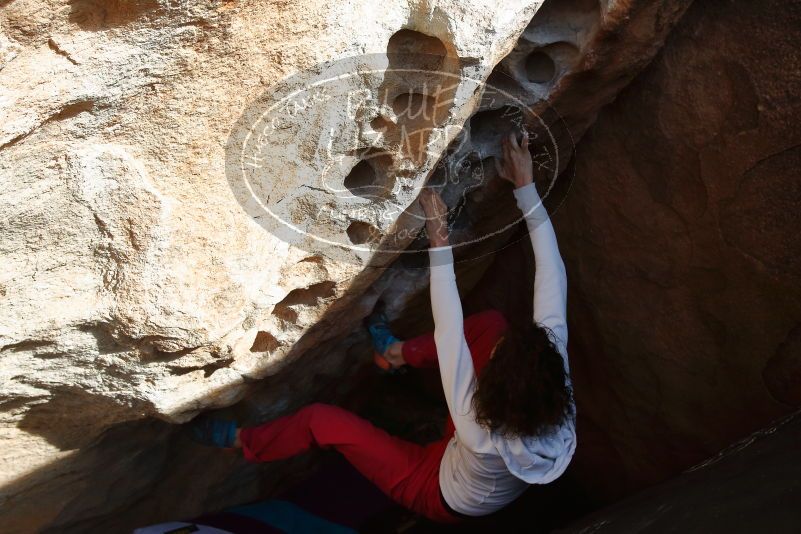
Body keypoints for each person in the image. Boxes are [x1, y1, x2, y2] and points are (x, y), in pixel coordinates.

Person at [191, 130, 577, 524]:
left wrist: (438, 241)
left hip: (435, 489)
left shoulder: (475, 424)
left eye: (496, 360)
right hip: (475, 456)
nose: (495, 351)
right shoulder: (553, 388)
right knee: (491, 325)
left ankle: (242, 442)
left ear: (489, 393)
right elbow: (552, 273)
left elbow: (449, 332)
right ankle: (392, 355)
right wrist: (525, 187)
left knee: (321, 421)